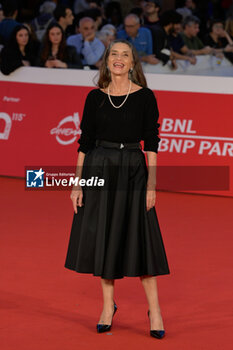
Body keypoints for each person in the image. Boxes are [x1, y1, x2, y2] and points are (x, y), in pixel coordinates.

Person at [64, 38, 170, 339]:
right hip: (99, 168)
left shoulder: (146, 97)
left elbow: (151, 142)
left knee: (142, 239)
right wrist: (76, 183)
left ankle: (156, 311)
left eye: (125, 54)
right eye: (114, 54)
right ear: (106, 60)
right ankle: (108, 307)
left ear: (133, 62)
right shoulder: (94, 97)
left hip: (133, 171)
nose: (119, 59)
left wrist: (152, 185)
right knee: (105, 239)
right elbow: (85, 142)